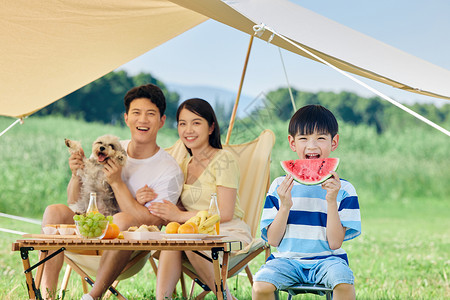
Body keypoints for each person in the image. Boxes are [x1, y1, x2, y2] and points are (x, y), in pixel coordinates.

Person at [40, 84, 183, 300]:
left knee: (123, 219)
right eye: (136, 113)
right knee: (54, 212)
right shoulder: (110, 146)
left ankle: (92, 296)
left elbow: (152, 222)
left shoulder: (168, 170)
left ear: (162, 121)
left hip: (127, 251)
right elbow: (73, 201)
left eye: (150, 114)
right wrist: (75, 174)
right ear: (126, 118)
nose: (142, 120)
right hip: (86, 237)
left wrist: (117, 183)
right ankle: (46, 295)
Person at [137, 98, 252, 300]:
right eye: (182, 123)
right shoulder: (183, 164)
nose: (188, 129)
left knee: (186, 236)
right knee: (175, 239)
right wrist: (146, 197)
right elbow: (173, 205)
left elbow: (224, 213)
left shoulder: (224, 159)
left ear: (211, 128)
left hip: (225, 232)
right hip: (191, 233)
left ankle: (225, 297)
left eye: (196, 122)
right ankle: (162, 299)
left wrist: (179, 215)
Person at [252, 105, 361, 300]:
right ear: (292, 143)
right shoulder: (280, 186)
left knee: (343, 280)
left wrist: (331, 201)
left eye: (320, 138)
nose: (312, 146)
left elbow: (335, 243)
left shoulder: (345, 190)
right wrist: (284, 206)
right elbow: (273, 240)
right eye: (303, 138)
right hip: (286, 260)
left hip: (329, 260)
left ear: (334, 142)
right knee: (260, 285)